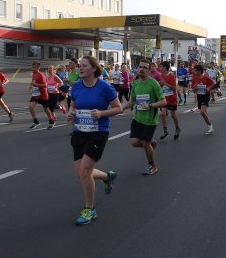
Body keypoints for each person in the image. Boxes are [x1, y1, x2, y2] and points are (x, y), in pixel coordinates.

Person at [67, 55, 123, 226]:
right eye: (80, 66)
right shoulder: (76, 86)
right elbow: (73, 105)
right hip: (79, 132)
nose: (80, 68)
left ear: (93, 68)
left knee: (85, 171)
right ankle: (106, 177)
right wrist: (71, 113)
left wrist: (101, 113)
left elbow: (118, 108)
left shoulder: (105, 87)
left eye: (84, 66)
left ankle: (90, 209)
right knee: (80, 173)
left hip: (98, 133)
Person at [123, 61, 166, 175]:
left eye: (145, 68)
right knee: (134, 142)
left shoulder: (153, 84)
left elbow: (163, 101)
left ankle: (152, 166)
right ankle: (151, 145)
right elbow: (133, 100)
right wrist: (122, 108)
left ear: (149, 70)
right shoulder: (135, 83)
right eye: (140, 67)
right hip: (137, 118)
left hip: (150, 120)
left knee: (145, 143)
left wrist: (150, 105)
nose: (142, 69)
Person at [158, 61, 181, 140]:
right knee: (163, 114)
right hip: (164, 99)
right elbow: (162, 85)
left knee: (173, 115)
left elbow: (174, 88)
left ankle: (177, 128)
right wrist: (160, 84)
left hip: (172, 99)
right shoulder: (161, 76)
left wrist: (164, 83)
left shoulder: (171, 76)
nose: (159, 68)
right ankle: (165, 131)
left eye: (160, 66)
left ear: (165, 68)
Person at [28, 61, 55, 129]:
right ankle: (36, 121)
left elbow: (45, 85)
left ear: (38, 68)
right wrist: (31, 86)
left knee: (46, 109)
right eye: (32, 67)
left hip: (42, 94)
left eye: (34, 67)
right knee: (31, 107)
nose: (32, 69)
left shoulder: (41, 75)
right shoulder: (33, 74)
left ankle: (51, 121)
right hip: (35, 94)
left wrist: (36, 85)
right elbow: (33, 82)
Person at [191, 64, 215, 134]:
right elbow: (193, 90)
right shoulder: (194, 78)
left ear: (199, 71)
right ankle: (209, 126)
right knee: (204, 113)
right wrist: (195, 88)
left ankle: (210, 126)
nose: (194, 72)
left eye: (195, 71)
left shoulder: (205, 78)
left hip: (206, 96)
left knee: (202, 112)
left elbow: (213, 84)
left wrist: (208, 88)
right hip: (199, 96)